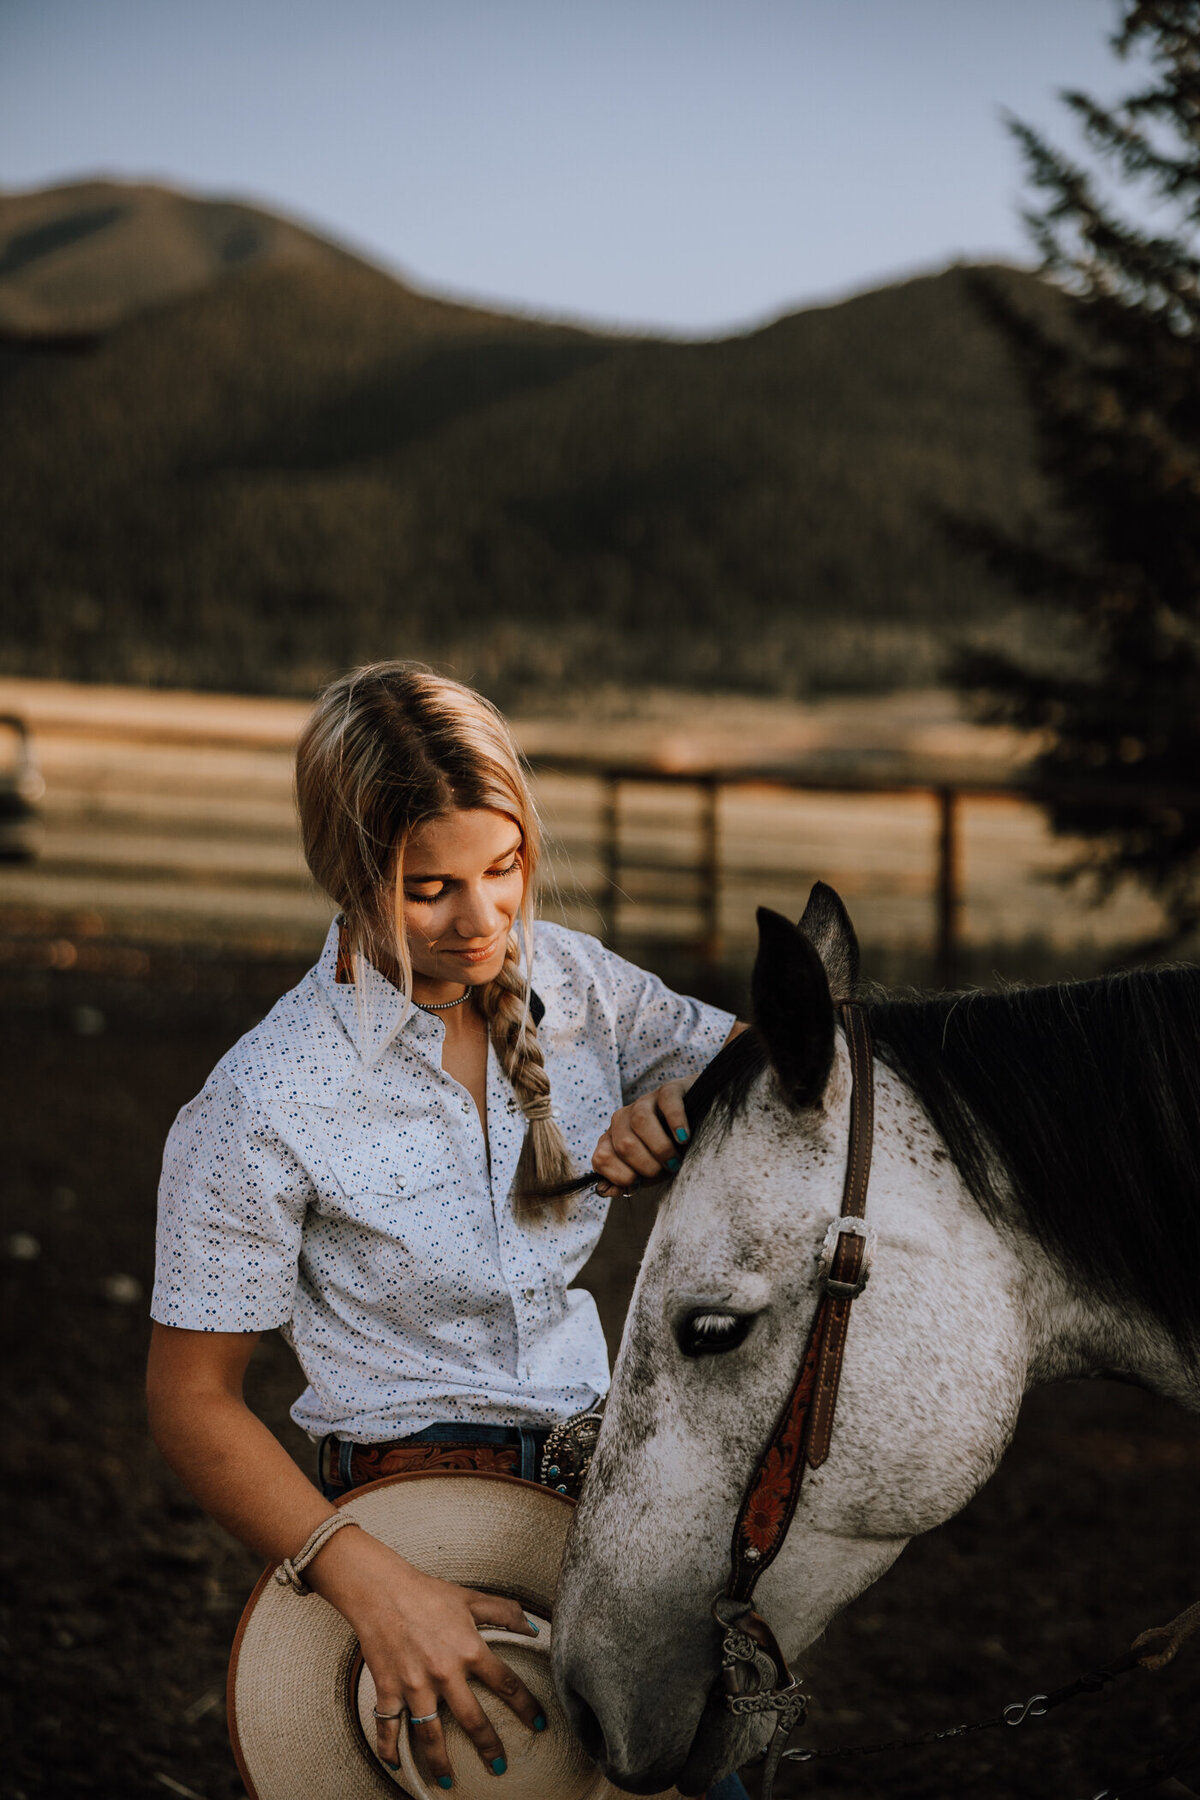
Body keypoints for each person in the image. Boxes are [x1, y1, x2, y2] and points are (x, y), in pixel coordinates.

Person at [146, 662, 749, 1798]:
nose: (484, 921)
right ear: (350, 871)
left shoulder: (580, 988)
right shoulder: (261, 1101)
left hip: (610, 1503)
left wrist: (678, 1113)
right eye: (431, 889)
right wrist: (369, 1586)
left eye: (505, 867)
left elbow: (776, 1069)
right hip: (399, 1528)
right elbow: (189, 1399)